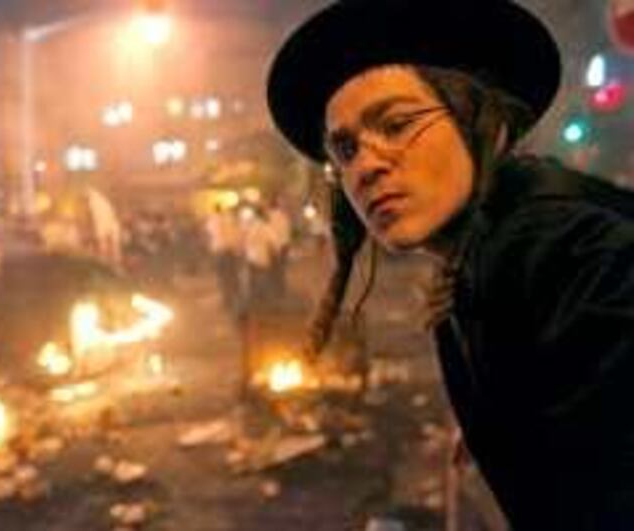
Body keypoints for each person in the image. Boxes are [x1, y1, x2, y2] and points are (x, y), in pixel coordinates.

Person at [267, 0, 634, 529]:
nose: (365, 165)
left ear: (486, 125)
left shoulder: (573, 255)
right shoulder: (480, 267)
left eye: (395, 124)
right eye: (344, 149)